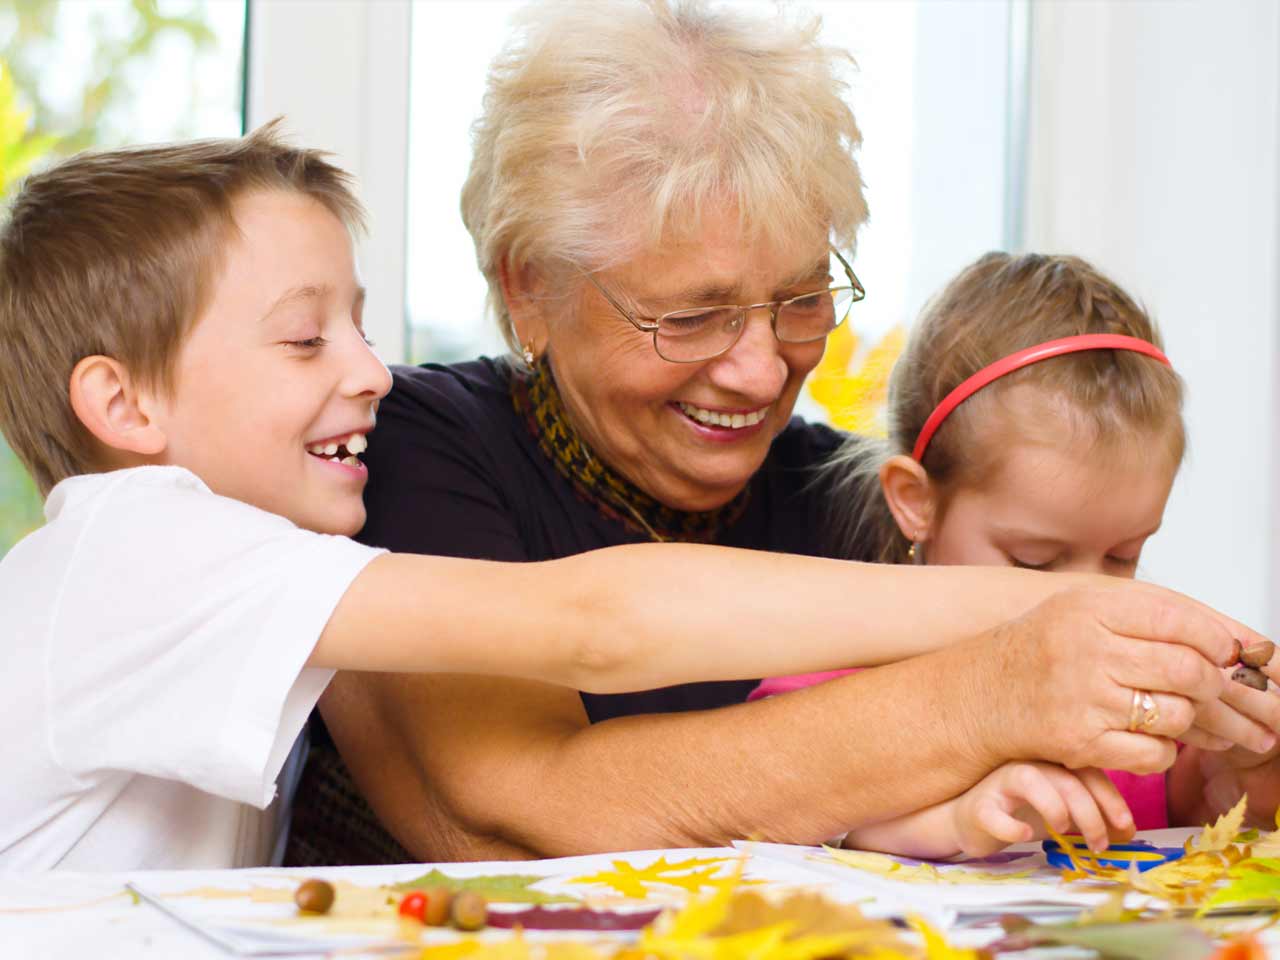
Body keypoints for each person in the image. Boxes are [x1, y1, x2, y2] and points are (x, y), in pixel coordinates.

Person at [0, 131, 1180, 874]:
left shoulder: (240, 561)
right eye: (306, 338)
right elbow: (594, 625)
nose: (369, 370)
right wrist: (1015, 621)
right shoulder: (139, 546)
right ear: (124, 405)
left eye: (357, 326)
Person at [307, 0, 1280, 865]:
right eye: (690, 316)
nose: (763, 369)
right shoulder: (411, 449)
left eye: (802, 299)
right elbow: (519, 811)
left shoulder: (847, 499)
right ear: (529, 287)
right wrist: (994, 688)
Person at [750, 252, 1278, 858]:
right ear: (916, 501)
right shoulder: (830, 674)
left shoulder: (1140, 684)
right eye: (1033, 561)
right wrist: (956, 823)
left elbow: (1182, 809)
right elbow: (793, 818)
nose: (1086, 600)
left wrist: (1238, 775)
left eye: (1122, 556)